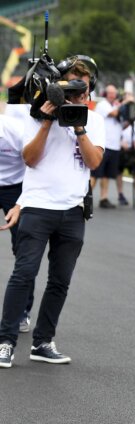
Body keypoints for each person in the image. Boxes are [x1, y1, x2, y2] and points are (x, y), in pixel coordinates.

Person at [0, 57, 104, 368]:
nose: (76, 91)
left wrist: (79, 128)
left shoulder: (95, 121)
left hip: (73, 210)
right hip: (37, 207)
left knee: (60, 280)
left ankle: (43, 342)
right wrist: (47, 122)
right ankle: (5, 342)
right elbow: (29, 159)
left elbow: (94, 162)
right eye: (70, 84)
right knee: (24, 273)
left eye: (81, 85)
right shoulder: (38, 116)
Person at [0, 112, 34, 333]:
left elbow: (34, 165)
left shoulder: (15, 131)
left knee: (23, 251)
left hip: (16, 187)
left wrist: (22, 203)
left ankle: (22, 311)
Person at [93, 84, 125, 208]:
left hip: (115, 145)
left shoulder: (116, 106)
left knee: (107, 174)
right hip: (103, 144)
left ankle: (104, 197)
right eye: (110, 93)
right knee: (95, 174)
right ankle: (84, 197)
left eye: (114, 93)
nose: (113, 95)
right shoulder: (103, 105)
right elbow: (113, 114)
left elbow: (122, 124)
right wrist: (124, 104)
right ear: (106, 94)